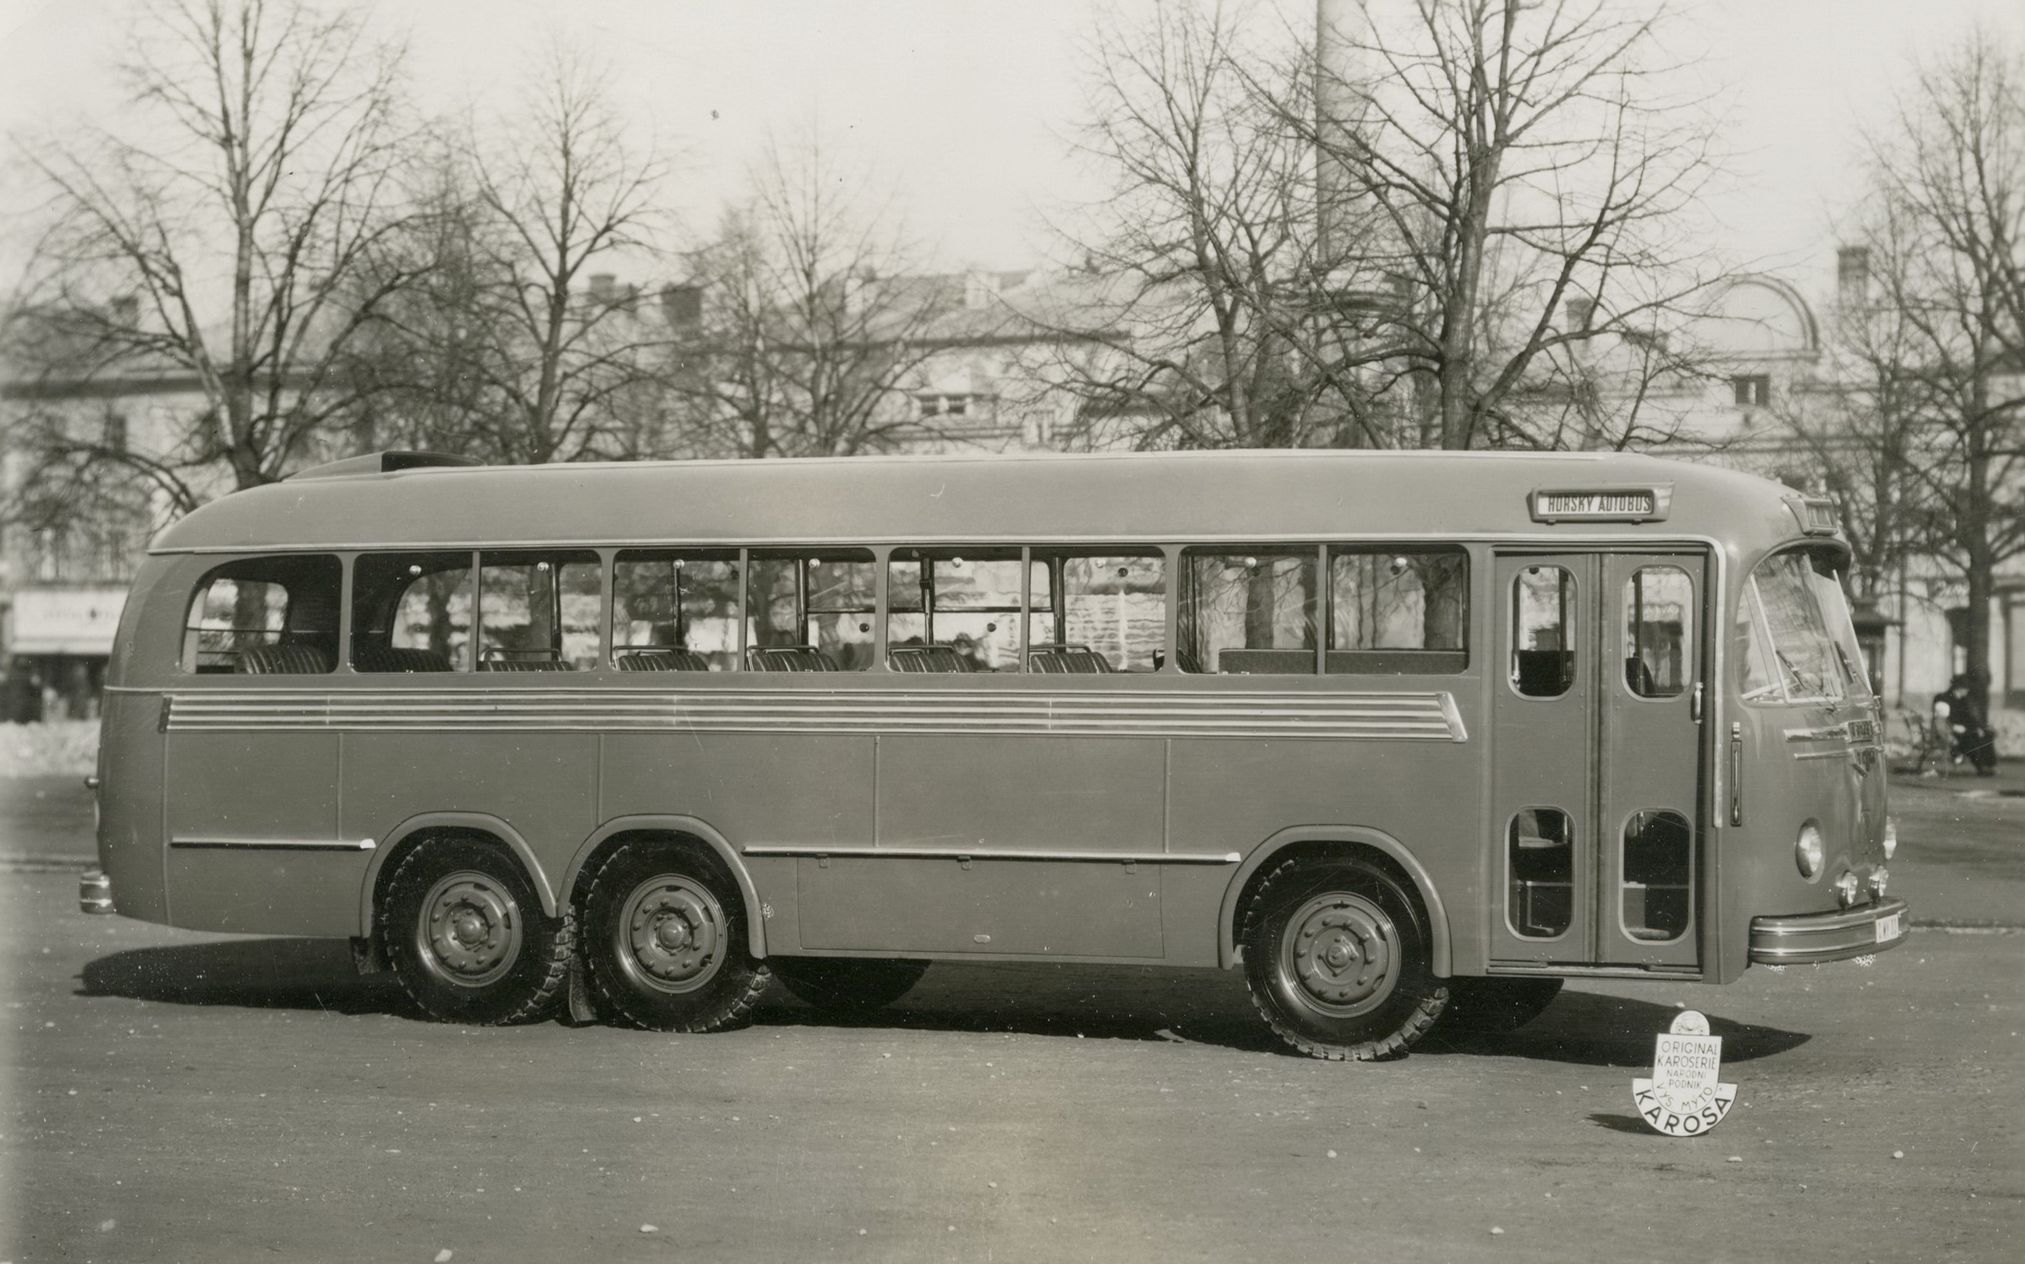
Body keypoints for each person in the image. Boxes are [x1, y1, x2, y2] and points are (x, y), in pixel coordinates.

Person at [1933, 674, 1998, 776]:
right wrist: (1953, 727)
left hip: (1963, 729)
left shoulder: (1963, 700)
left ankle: (1989, 766)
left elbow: (1968, 716)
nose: (1967, 691)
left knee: (1986, 734)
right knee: (1970, 739)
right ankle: (1981, 768)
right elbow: (1940, 720)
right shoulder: (1942, 698)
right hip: (1948, 731)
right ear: (1959, 688)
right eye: (1966, 689)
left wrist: (1978, 727)